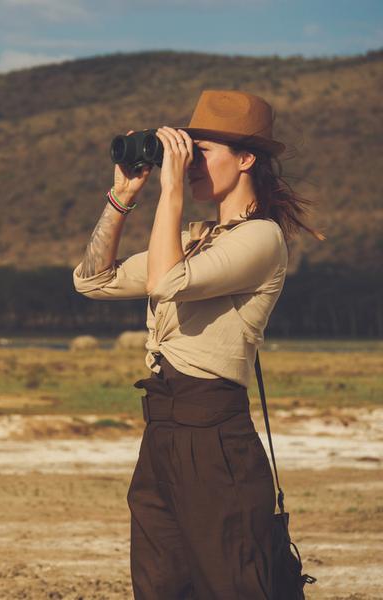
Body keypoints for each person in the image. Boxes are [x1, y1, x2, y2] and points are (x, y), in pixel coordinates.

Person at [73, 90, 321, 598]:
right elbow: (92, 281)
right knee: (161, 585)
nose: (188, 163)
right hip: (161, 425)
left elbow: (166, 283)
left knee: (231, 582)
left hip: (212, 434)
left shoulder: (261, 239)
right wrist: (122, 196)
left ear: (246, 158)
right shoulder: (192, 236)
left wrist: (170, 193)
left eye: (201, 151)